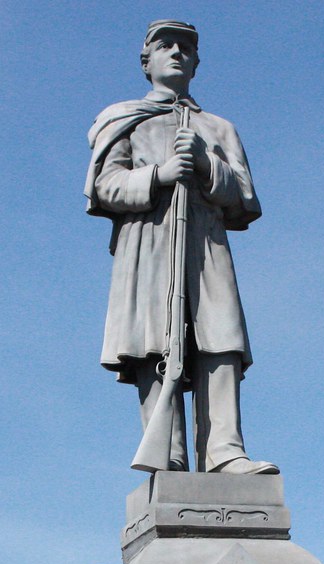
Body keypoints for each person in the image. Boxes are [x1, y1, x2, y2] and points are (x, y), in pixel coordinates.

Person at [85, 20, 276, 474]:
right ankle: (167, 454)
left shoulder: (218, 128)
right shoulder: (122, 120)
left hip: (206, 241)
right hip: (148, 242)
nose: (176, 52)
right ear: (145, 60)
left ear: (196, 62)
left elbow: (245, 198)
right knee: (155, 343)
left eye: (186, 47)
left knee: (221, 337)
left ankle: (225, 453)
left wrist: (209, 165)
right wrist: (159, 174)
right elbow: (103, 186)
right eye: (165, 45)